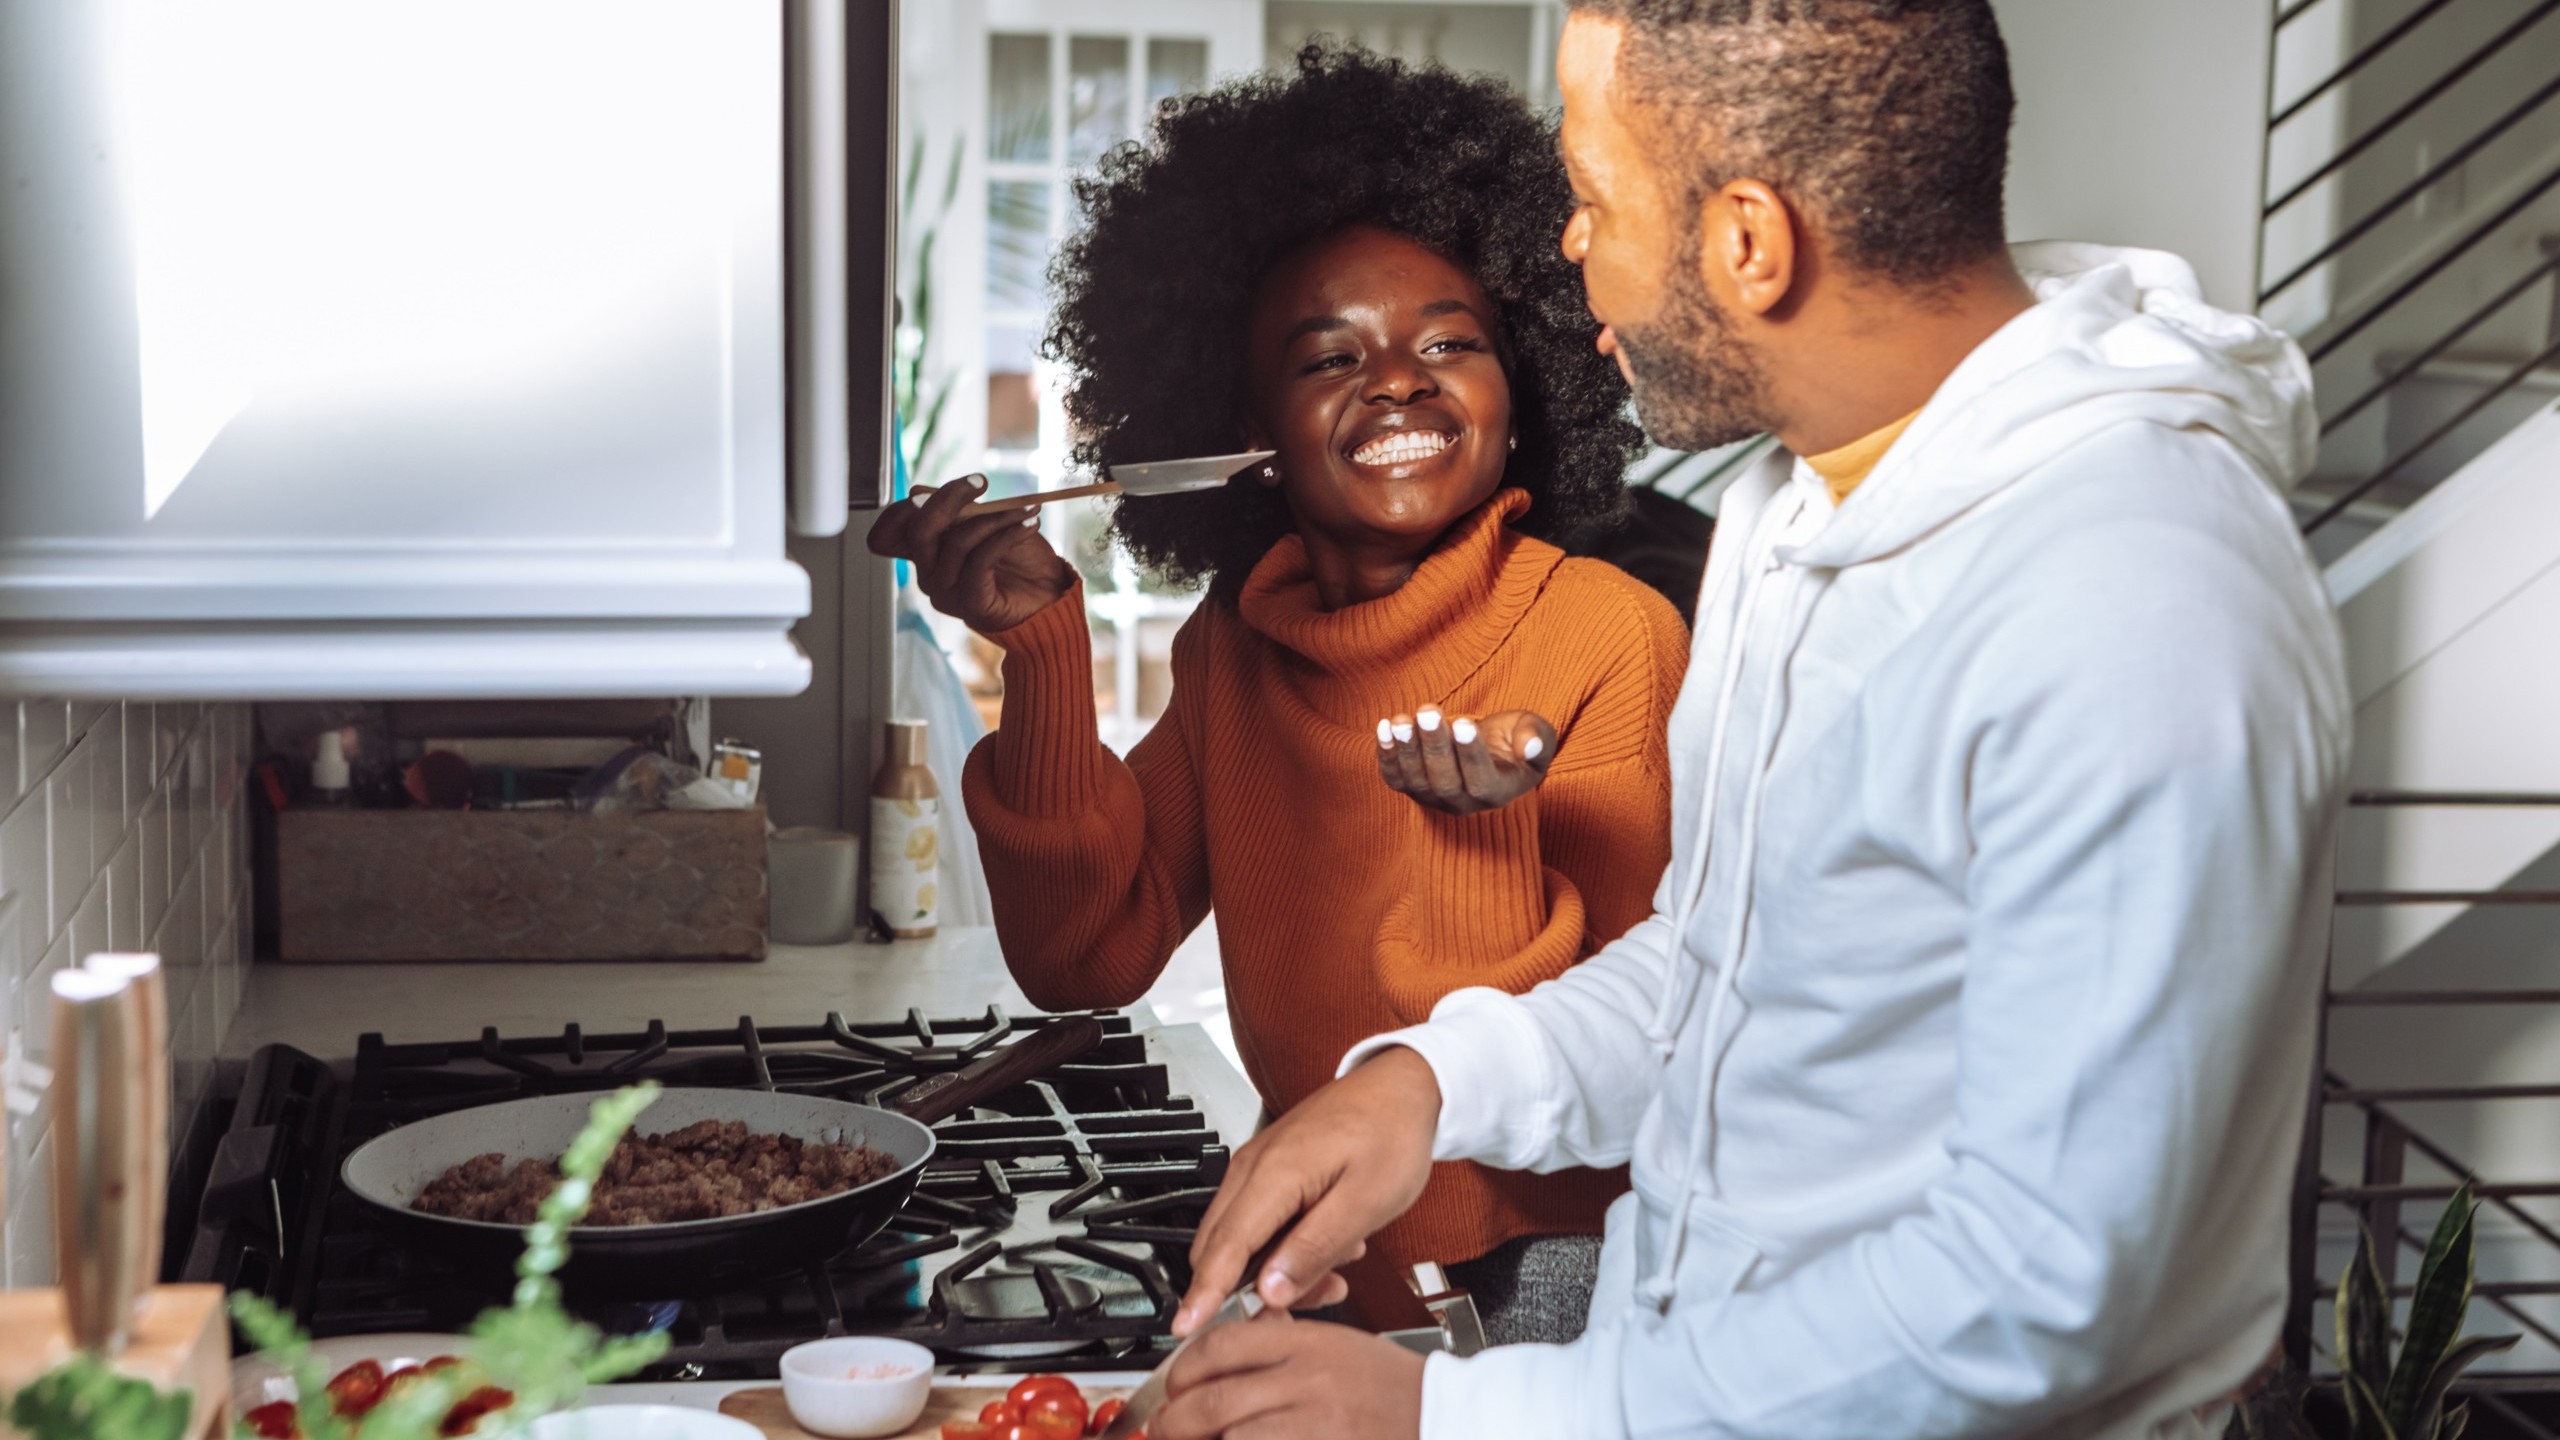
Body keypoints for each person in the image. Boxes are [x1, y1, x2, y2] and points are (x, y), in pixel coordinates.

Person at [1152, 4, 2353, 1438]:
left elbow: (2044, 1286)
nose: (1566, 249)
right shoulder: (1803, 508)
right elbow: (1748, 967)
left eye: (1592, 201)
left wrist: (1455, 1419)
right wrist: (1436, 1083)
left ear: (1748, 242)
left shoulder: (2133, 596)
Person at [868, 45, 1688, 1336]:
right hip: (1320, 1272)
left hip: (1542, 1302)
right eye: (1328, 358)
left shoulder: (1610, 635)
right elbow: (1085, 958)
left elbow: (1633, 1056)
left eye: (1450, 342)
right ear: (1243, 433)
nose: (1399, 378)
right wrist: (1040, 653)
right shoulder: (1237, 647)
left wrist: (1477, 835)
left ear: (1524, 394)